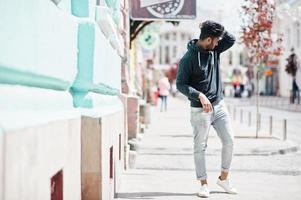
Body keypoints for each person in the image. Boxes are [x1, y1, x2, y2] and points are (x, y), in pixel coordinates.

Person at [176, 20, 237, 198]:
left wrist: (213, 25)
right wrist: (199, 95)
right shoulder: (188, 59)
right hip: (199, 111)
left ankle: (223, 179)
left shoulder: (215, 50)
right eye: (216, 40)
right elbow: (180, 84)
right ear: (209, 40)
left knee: (229, 141)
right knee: (200, 147)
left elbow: (231, 39)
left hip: (219, 105)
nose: (219, 44)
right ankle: (203, 184)